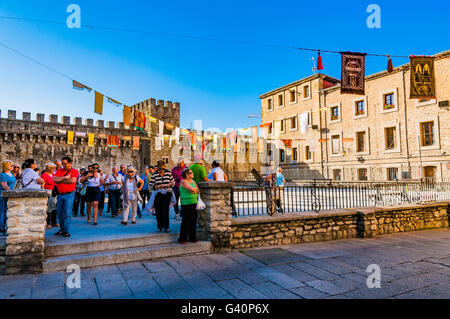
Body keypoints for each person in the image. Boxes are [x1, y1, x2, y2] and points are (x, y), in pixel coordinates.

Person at [53, 157, 79, 237]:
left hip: (69, 194)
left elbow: (72, 181)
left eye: (65, 163)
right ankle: (62, 229)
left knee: (67, 213)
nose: (63, 165)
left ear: (70, 162)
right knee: (60, 213)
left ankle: (65, 230)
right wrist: (65, 177)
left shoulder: (74, 171)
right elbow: (54, 179)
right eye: (62, 164)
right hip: (60, 194)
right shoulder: (59, 170)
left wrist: (59, 180)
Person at [149, 161, 174, 232]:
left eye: (163, 169)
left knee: (165, 209)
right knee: (158, 210)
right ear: (157, 168)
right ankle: (159, 226)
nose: (161, 171)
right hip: (158, 194)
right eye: (159, 169)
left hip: (167, 193)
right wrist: (156, 186)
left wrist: (169, 184)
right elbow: (150, 186)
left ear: (164, 167)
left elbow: (173, 182)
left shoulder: (168, 173)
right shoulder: (154, 175)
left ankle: (166, 226)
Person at [178, 168, 199, 244]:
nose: (192, 173)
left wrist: (194, 190)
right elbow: (192, 189)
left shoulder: (193, 181)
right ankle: (182, 238)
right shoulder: (183, 181)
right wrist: (193, 190)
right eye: (191, 172)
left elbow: (197, 189)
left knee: (193, 221)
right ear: (187, 175)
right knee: (186, 222)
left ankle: (192, 238)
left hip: (194, 202)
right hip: (186, 204)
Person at [0, 160, 16, 233]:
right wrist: (12, 191)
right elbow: (4, 185)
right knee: (2, 211)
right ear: (7, 166)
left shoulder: (11, 174)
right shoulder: (3, 175)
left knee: (8, 211)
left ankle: (6, 225)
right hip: (3, 194)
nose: (13, 167)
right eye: (12, 166)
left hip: (10, 193)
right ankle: (2, 227)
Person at [41, 163, 59, 228]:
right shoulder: (44, 175)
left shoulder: (53, 174)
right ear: (49, 168)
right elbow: (42, 185)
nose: (54, 169)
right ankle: (48, 222)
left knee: (54, 207)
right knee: (49, 208)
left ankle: (54, 222)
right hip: (48, 192)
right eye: (53, 168)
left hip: (54, 192)